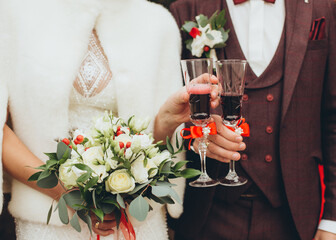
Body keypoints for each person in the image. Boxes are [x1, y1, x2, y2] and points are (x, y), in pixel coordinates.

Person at [0, 0, 220, 239]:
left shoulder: (158, 23)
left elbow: (157, 146)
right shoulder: (13, 13)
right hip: (49, 219)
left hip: (134, 218)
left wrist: (167, 120)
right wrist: (67, 193)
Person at [169, 0, 336, 240]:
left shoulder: (320, 7)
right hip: (207, 215)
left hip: (293, 218)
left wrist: (335, 221)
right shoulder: (187, 8)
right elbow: (166, 110)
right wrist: (193, 138)